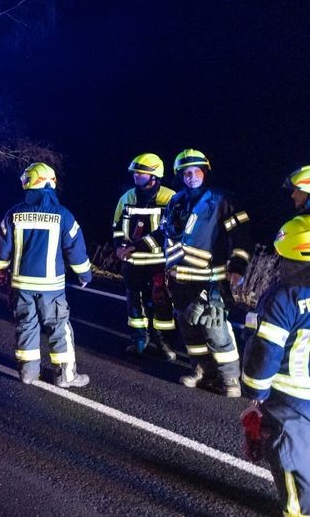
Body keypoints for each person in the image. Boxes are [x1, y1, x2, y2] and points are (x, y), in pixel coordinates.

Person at [0, 162, 94, 387]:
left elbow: (2, 250)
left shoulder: (14, 214)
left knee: (26, 326)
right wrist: (85, 275)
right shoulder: (63, 215)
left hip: (21, 286)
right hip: (52, 289)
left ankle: (28, 373)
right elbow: (75, 250)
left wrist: (0, 271)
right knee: (59, 328)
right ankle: (66, 377)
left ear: (32, 182)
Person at [163, 149, 252, 397]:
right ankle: (202, 372)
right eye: (186, 173)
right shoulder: (176, 200)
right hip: (179, 281)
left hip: (210, 280)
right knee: (189, 328)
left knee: (215, 328)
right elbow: (167, 236)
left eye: (195, 172)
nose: (190, 177)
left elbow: (241, 235)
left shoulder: (222, 199)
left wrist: (237, 267)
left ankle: (230, 379)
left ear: (205, 172)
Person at [240, 214, 310, 517]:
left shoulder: (283, 297)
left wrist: (255, 393)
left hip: (287, 397)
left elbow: (265, 349)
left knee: (289, 459)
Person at [112, 153, 178, 360]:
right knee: (134, 300)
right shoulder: (127, 197)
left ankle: (164, 342)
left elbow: (171, 231)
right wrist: (119, 247)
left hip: (159, 262)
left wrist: (138, 246)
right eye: (135, 173)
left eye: (140, 174)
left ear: (154, 176)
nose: (135, 177)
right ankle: (139, 338)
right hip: (132, 263)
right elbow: (116, 226)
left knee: (162, 301)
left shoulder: (170, 198)